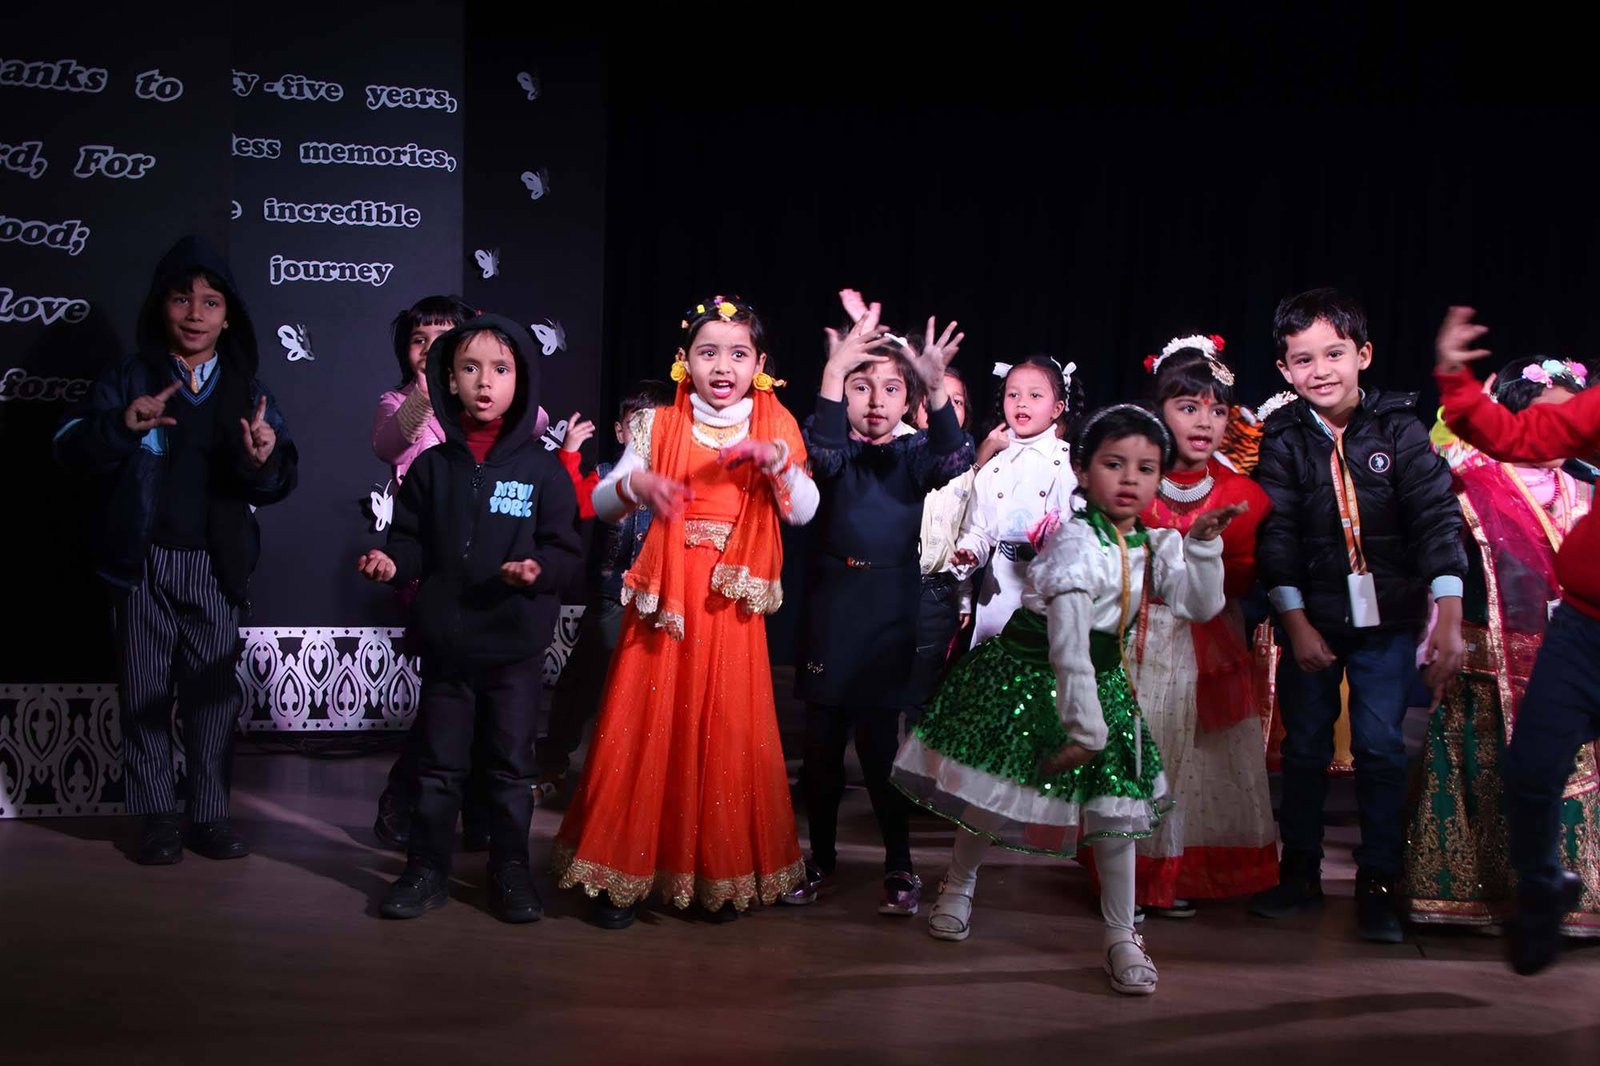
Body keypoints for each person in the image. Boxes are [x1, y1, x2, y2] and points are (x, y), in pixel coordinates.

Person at [893, 404, 1240, 995]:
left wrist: (1204, 545)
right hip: (1032, 677)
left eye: (1146, 468)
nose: (1130, 479)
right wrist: (1087, 726)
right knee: (993, 790)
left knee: (1116, 813)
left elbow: (1197, 605)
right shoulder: (1075, 544)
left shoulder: (1153, 542)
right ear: (1082, 470)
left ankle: (1122, 934)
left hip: (1098, 683)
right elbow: (1069, 644)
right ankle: (959, 883)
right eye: (1114, 464)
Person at [552, 295, 819, 928]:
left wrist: (779, 464)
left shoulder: (774, 423)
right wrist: (635, 485)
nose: (722, 366)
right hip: (665, 600)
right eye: (708, 353)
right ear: (684, 361)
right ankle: (618, 878)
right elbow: (605, 500)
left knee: (724, 731)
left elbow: (804, 510)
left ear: (759, 364)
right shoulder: (658, 424)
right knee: (644, 728)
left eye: (738, 353)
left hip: (729, 607)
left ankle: (712, 877)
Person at [55, 235, 298, 864]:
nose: (195, 313)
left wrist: (263, 459)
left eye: (211, 301)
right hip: (140, 563)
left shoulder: (247, 390)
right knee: (143, 695)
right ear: (159, 306)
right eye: (181, 298)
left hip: (216, 566)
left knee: (212, 701)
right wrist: (119, 427)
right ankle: (157, 817)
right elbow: (68, 448)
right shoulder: (129, 378)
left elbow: (278, 478)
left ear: (229, 315)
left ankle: (209, 816)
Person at [1250, 287, 1468, 943]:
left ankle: (1379, 882)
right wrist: (1295, 625)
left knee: (1379, 747)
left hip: (1387, 621)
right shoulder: (1282, 438)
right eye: (1303, 359)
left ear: (1363, 355)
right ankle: (1300, 872)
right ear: (1285, 370)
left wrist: (1449, 614)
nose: (1320, 370)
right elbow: (1276, 537)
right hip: (1311, 621)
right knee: (1304, 748)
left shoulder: (1401, 428)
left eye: (1334, 353)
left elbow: (1436, 520)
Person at [357, 314, 581, 923]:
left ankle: (509, 870)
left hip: (513, 649)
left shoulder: (542, 470)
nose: (485, 382)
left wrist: (539, 569)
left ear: (520, 380)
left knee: (509, 768)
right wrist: (391, 563)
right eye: (470, 368)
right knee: (438, 766)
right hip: (448, 647)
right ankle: (426, 868)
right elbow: (410, 543)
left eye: (500, 369)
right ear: (448, 380)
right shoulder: (431, 467)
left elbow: (566, 552)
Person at [784, 309, 974, 915]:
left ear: (908, 401)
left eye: (891, 389)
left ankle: (899, 865)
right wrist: (832, 372)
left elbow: (955, 458)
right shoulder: (833, 448)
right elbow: (822, 455)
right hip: (831, 611)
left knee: (877, 751)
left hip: (888, 615)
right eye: (861, 387)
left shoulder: (915, 454)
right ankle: (820, 859)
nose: (875, 401)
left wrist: (936, 387)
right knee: (820, 753)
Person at [1404, 355, 1600, 939]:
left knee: (1570, 773)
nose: (1562, 431)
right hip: (1489, 656)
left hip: (1569, 652)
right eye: (1548, 417)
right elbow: (1446, 562)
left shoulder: (1584, 486)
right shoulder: (1473, 481)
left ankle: (1567, 897)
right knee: (1494, 773)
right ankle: (1481, 895)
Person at [1112, 336, 1277, 918]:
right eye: (1188, 407)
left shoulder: (1243, 496)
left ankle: (1179, 873)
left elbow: (1244, 578)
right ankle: (1129, 877)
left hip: (1208, 636)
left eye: (1217, 410)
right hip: (1138, 636)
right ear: (1158, 411)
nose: (1204, 422)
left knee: (1199, 762)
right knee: (1139, 754)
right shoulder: (1130, 481)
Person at [534, 381, 677, 803]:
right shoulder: (606, 475)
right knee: (584, 681)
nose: (646, 436)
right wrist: (569, 453)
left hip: (658, 602)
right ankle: (553, 762)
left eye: (656, 426)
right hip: (611, 597)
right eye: (637, 426)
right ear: (619, 431)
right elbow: (572, 505)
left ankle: (635, 777)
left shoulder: (674, 480)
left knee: (647, 691)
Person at [951, 357, 1077, 646]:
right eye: (1013, 394)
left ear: (1057, 408)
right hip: (1000, 590)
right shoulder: (994, 468)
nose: (1022, 403)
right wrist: (970, 552)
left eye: (1035, 395)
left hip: (1052, 592)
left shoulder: (1071, 464)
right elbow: (979, 529)